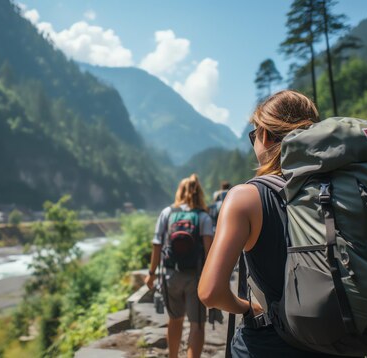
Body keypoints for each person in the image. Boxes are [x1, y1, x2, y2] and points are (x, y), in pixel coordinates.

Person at [198, 90, 354, 357]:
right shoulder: (341, 189)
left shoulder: (246, 198)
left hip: (271, 346)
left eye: (254, 135)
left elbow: (210, 292)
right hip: (342, 343)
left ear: (265, 135)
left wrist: (246, 306)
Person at [145, 174, 214, 358]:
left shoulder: (167, 213)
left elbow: (157, 244)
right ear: (199, 193)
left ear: (179, 192)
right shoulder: (204, 217)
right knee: (197, 325)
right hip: (196, 277)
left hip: (170, 275)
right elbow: (209, 252)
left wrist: (151, 274)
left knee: (175, 320)